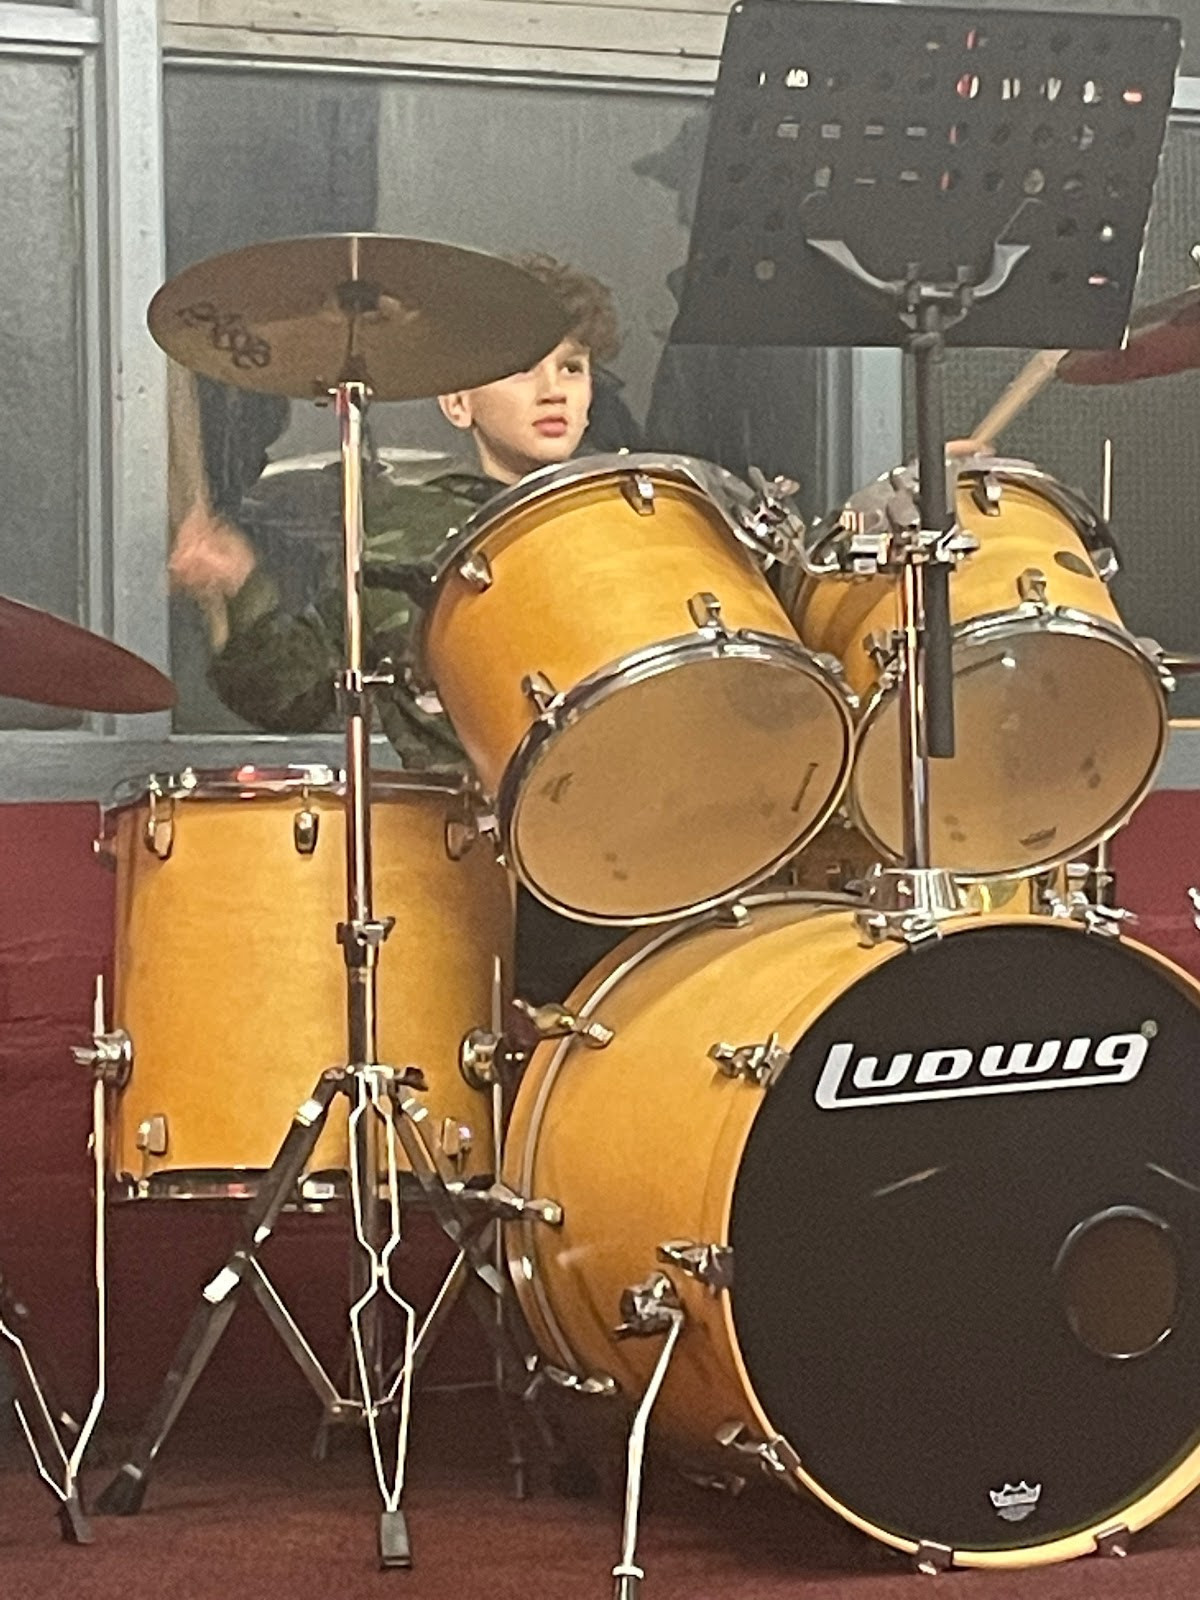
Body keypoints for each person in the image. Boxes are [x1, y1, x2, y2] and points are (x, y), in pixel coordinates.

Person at [169, 253, 633, 1002]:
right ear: (458, 401)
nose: (554, 391)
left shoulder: (635, 518)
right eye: (522, 369)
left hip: (635, 842)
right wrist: (241, 587)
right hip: (474, 873)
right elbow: (286, 691)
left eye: (572, 368)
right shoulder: (405, 533)